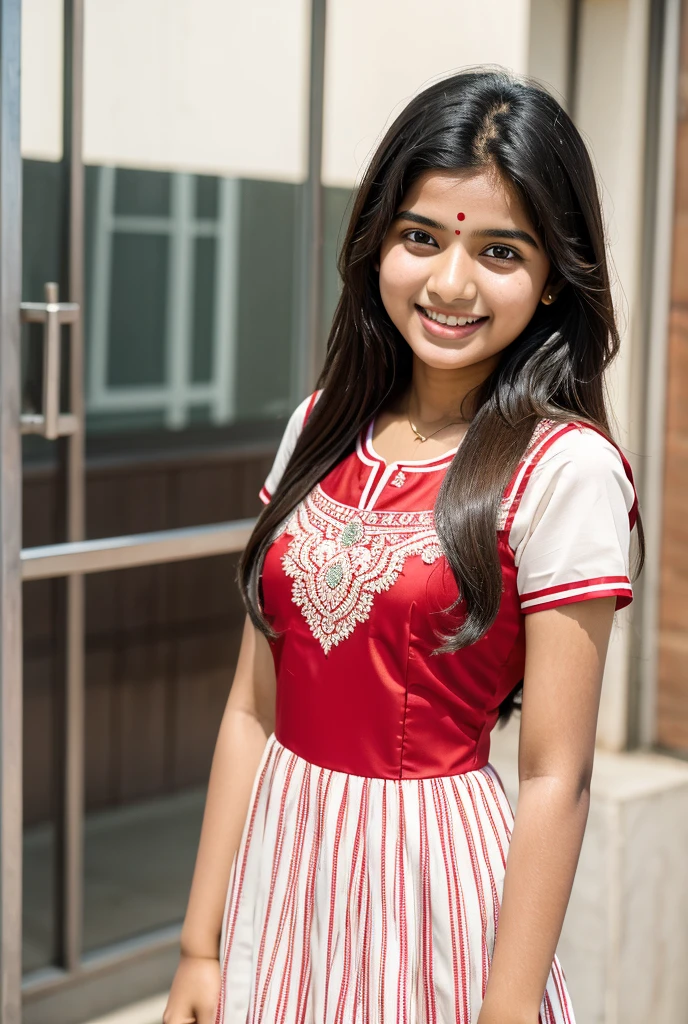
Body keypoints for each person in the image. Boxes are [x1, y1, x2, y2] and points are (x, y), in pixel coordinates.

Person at [163, 67, 643, 1024]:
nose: (450, 282)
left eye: (500, 251)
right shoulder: (320, 425)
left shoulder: (566, 470)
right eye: (421, 237)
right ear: (376, 242)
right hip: (282, 859)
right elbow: (251, 712)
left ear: (554, 281)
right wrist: (199, 945)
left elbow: (557, 775)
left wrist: (505, 1013)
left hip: (430, 886)